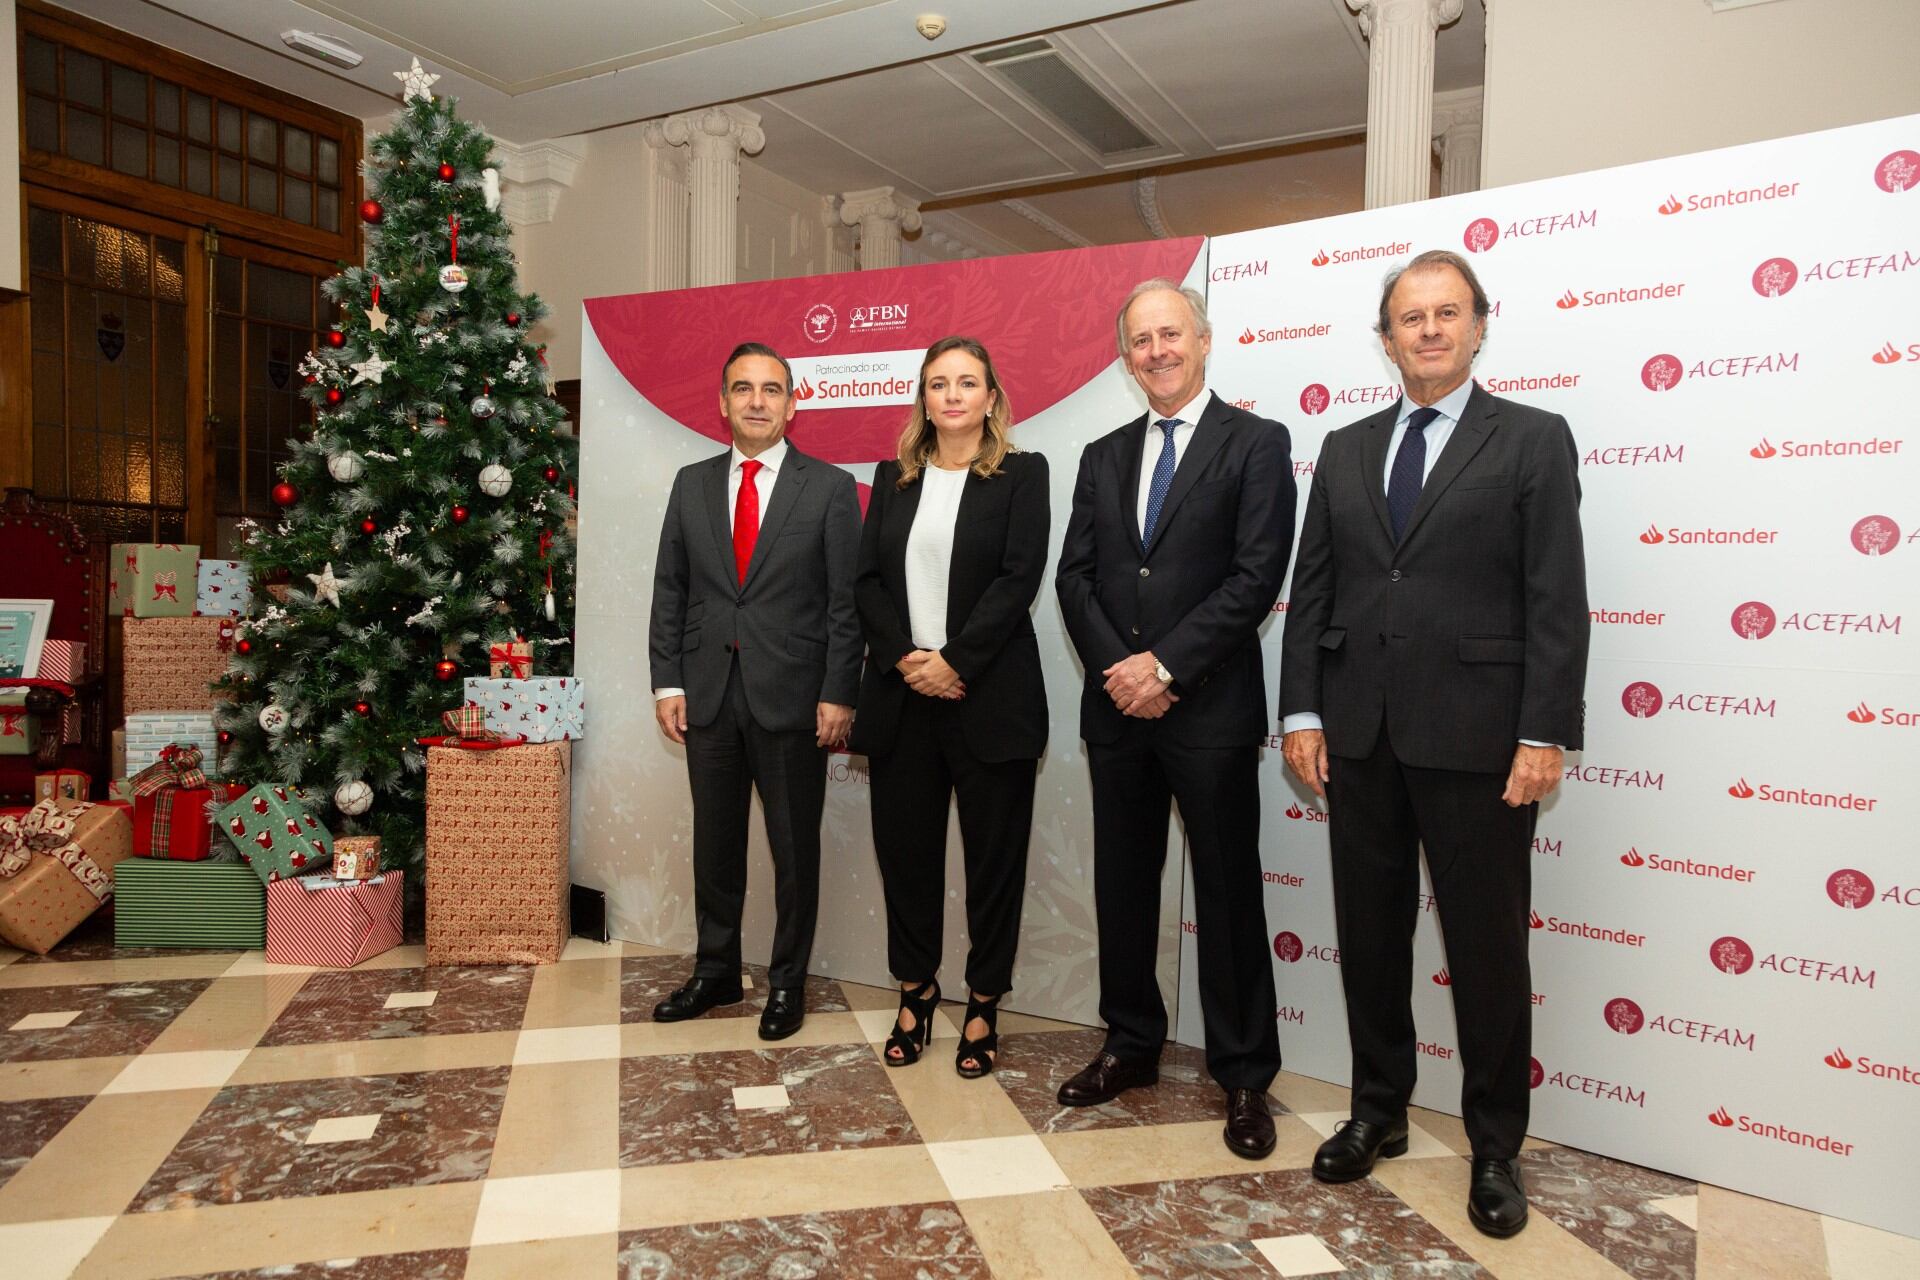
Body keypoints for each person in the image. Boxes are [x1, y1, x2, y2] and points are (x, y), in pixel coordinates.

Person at [1279, 249, 1589, 1238]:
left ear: (1479, 325)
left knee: (1486, 949)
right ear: (1385, 338)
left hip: (1480, 741)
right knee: (1370, 937)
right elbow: (1312, 592)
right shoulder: (1345, 443)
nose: (1428, 329)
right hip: (1359, 736)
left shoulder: (1533, 441)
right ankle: (1379, 1108)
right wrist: (1301, 712)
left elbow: (1556, 600)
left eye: (1446, 312)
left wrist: (1543, 732)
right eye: (1410, 317)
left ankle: (1495, 1143)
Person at [1055, 279, 1296, 1159]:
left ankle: (1242, 1075)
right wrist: (1122, 676)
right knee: (1123, 883)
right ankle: (1130, 1044)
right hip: (1117, 713)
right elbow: (1073, 576)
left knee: (1228, 892)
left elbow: (1256, 576)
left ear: (1202, 341)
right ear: (1125, 357)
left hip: (1210, 708)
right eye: (1140, 340)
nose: (1156, 351)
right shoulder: (1102, 452)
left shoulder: (1258, 443)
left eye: (1171, 334)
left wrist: (1164, 667)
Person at [648, 342, 862, 1041]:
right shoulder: (690, 483)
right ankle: (715, 972)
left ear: (793, 403)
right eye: (743, 388)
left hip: (794, 696)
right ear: (723, 402)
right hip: (708, 692)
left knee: (794, 848)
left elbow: (844, 603)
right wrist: (668, 681)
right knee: (715, 845)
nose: (757, 401)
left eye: (772, 389)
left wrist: (839, 691)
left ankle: (788, 982)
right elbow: (671, 590)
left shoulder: (828, 489)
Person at [851, 336, 1050, 1078]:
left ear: (991, 397)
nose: (954, 395)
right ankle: (915, 991)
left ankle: (984, 1001)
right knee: (907, 860)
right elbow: (867, 581)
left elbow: (1017, 578)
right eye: (939, 383)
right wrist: (908, 660)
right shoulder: (892, 478)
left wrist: (954, 662)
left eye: (968, 382)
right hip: (903, 698)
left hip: (988, 697)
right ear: (924, 400)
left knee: (995, 863)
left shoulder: (1023, 476)